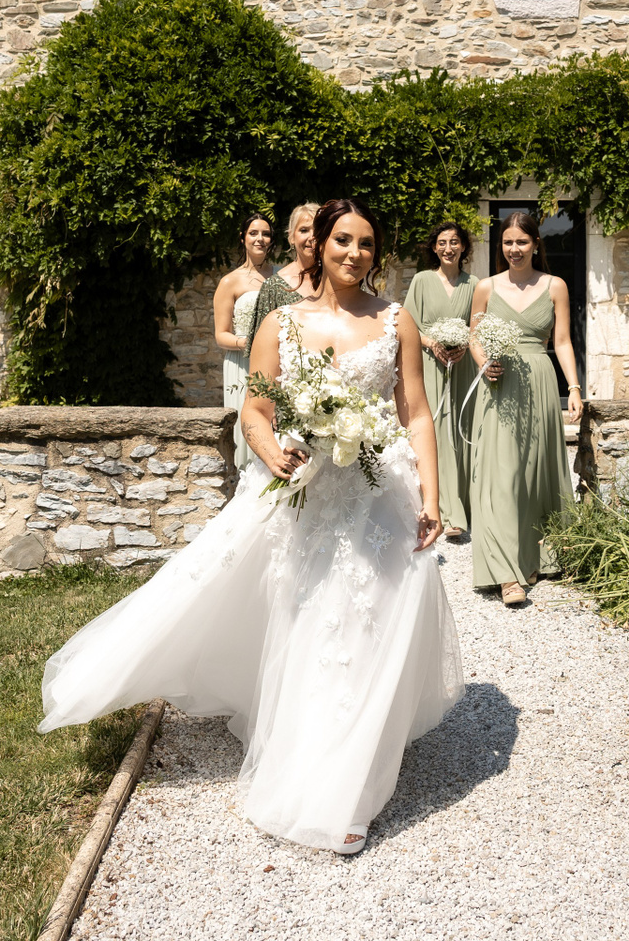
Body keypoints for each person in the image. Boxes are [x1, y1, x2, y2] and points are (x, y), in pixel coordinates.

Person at [40, 197, 462, 855]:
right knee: (314, 625)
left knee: (371, 623)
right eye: (343, 240)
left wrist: (432, 497)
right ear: (318, 244)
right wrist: (272, 454)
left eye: (367, 244)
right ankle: (319, 769)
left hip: (380, 494)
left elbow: (416, 414)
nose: (355, 253)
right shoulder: (281, 322)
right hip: (307, 494)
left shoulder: (395, 319)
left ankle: (352, 773)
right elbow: (256, 412)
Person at [467, 210, 582, 607]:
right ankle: (505, 574)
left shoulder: (555, 286)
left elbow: (562, 341)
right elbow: (474, 337)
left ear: (535, 244)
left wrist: (574, 388)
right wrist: (483, 363)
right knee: (501, 475)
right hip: (498, 386)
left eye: (521, 242)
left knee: (535, 474)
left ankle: (532, 556)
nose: (513, 249)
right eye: (507, 242)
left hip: (540, 382)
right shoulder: (485, 287)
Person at [403, 221, 477, 541]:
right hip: (429, 367)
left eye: (455, 242)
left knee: (460, 431)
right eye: (442, 242)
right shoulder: (422, 280)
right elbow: (407, 325)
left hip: (462, 368)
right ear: (434, 248)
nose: (449, 248)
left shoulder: (474, 284)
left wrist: (465, 344)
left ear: (463, 247)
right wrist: (432, 342)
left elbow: (479, 325)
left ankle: (464, 505)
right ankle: (444, 511)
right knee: (435, 431)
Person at [214, 211, 274, 455]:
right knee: (247, 426)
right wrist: (249, 343)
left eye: (266, 234)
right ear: (243, 238)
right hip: (242, 363)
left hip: (277, 361)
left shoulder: (282, 276)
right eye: (253, 233)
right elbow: (221, 334)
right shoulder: (230, 282)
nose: (260, 239)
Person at [244, 202, 320, 355]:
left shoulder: (340, 282)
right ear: (291, 237)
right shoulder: (274, 286)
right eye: (304, 230)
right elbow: (259, 351)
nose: (312, 237)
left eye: (318, 230)